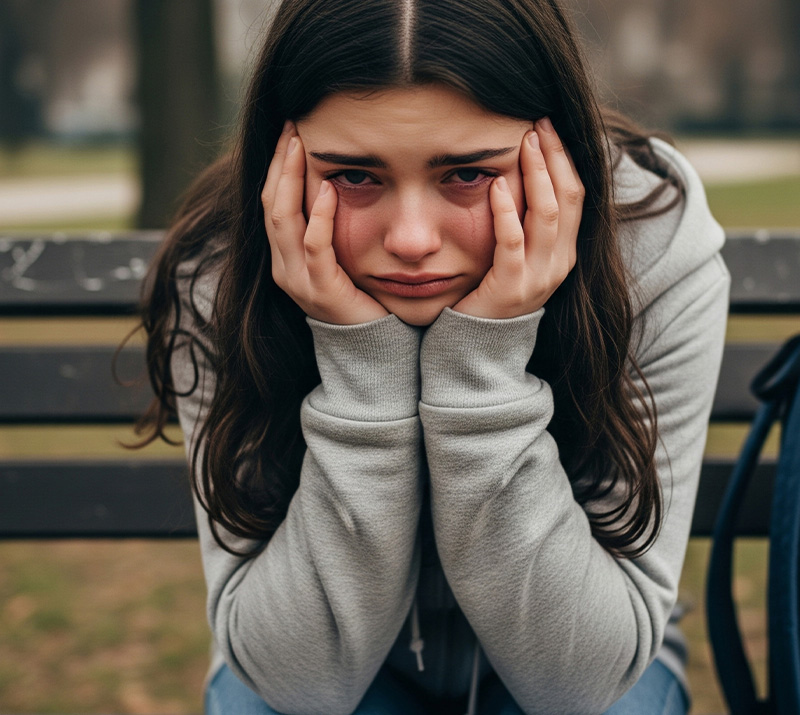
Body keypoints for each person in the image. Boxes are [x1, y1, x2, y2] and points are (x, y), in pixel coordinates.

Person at [135, 0, 730, 713]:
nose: (412, 238)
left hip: (585, 645)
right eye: (355, 175)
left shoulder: (649, 242)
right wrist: (363, 370)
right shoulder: (223, 267)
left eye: (468, 174)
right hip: (333, 662)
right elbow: (296, 685)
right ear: (282, 160)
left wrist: (482, 371)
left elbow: (579, 684)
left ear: (555, 151)